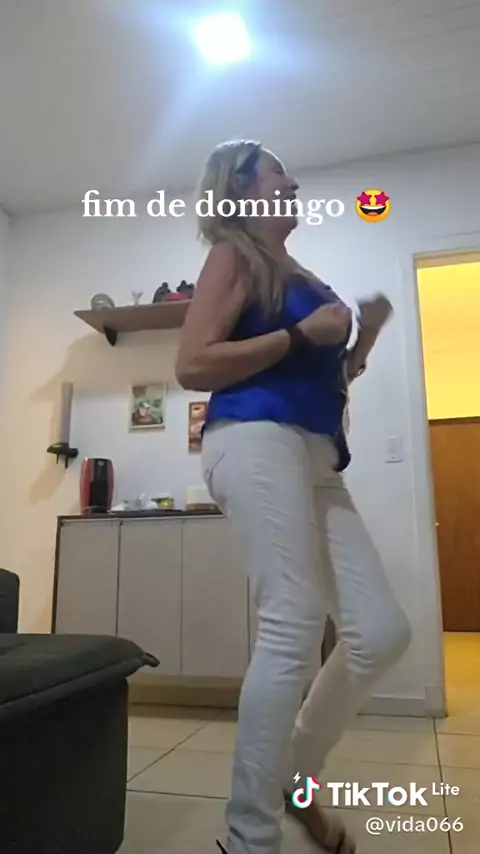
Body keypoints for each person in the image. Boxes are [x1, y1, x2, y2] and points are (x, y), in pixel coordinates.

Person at [175, 139, 412, 854]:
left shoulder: (300, 271)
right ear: (241, 189)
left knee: (380, 631)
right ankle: (249, 837)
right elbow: (193, 364)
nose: (293, 181)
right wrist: (299, 332)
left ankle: (292, 776)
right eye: (278, 173)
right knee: (295, 620)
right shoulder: (236, 254)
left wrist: (362, 340)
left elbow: (325, 375)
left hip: (314, 453)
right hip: (254, 436)